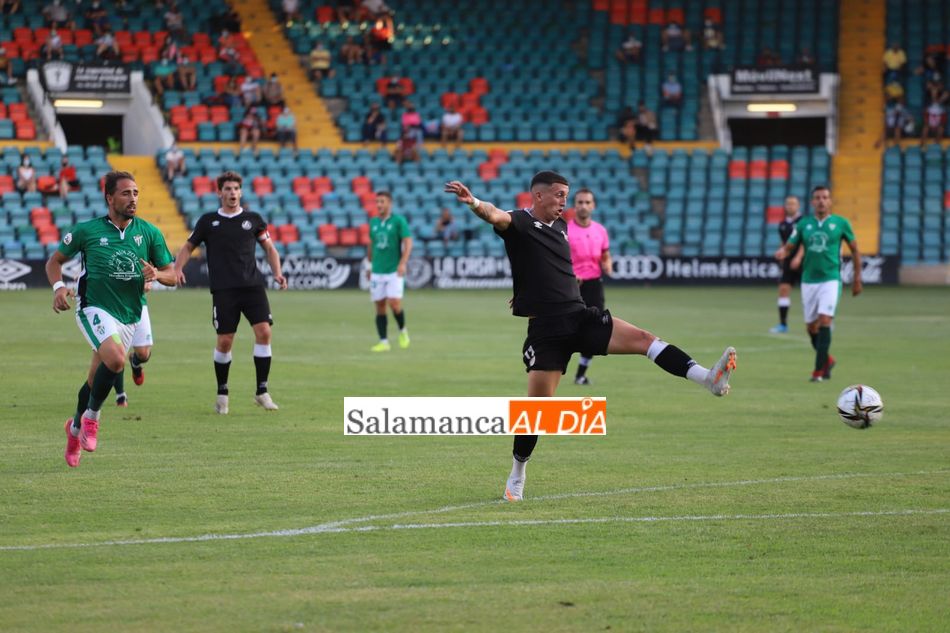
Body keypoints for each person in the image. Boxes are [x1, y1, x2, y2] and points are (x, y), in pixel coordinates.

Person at [444, 172, 737, 502]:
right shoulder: (519, 222)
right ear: (538, 196)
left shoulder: (563, 227)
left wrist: (526, 290)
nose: (564, 202)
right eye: (558, 195)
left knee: (644, 339)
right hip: (547, 332)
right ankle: (518, 472)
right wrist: (474, 203)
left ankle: (707, 379)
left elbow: (542, 267)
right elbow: (494, 215)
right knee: (537, 410)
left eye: (566, 196)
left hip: (580, 316)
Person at [45, 171, 176, 467]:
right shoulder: (87, 230)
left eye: (136, 193)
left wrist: (158, 275)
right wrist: (58, 287)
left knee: (95, 379)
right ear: (109, 198)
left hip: (129, 313)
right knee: (116, 361)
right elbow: (55, 261)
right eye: (126, 193)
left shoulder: (149, 232)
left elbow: (173, 274)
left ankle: (74, 428)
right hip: (93, 307)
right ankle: (92, 418)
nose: (133, 199)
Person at [174, 171, 287, 414]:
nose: (232, 193)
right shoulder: (208, 221)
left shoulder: (253, 219)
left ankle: (262, 391)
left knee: (264, 332)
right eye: (227, 189)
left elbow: (270, 248)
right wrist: (177, 268)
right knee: (225, 341)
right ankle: (222, 394)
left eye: (236, 188)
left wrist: (277, 272)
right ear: (219, 193)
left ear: (241, 192)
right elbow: (188, 246)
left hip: (253, 286)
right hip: (224, 290)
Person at [774, 185, 862, 383]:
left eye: (825, 197)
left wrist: (857, 279)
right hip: (808, 281)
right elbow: (790, 245)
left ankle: (817, 371)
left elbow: (855, 250)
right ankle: (827, 361)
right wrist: (783, 253)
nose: (821, 200)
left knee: (825, 321)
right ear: (812, 202)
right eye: (817, 198)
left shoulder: (841, 223)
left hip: (831, 279)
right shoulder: (804, 224)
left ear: (830, 201)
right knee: (811, 328)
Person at [567, 188, 613, 385]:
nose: (584, 206)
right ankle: (554, 368)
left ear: (593, 206)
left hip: (594, 284)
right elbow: (559, 259)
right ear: (574, 205)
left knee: (595, 329)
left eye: (587, 202)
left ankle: (580, 375)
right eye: (580, 202)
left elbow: (605, 253)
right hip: (572, 285)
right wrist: (570, 274)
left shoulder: (600, 230)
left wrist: (607, 264)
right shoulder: (565, 229)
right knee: (566, 328)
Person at [367, 191, 412, 352]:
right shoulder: (373, 222)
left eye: (382, 202)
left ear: (389, 204)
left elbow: (408, 241)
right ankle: (383, 341)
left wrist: (403, 263)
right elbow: (371, 245)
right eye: (377, 202)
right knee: (379, 305)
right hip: (377, 270)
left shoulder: (399, 221)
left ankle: (402, 331)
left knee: (394, 303)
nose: (379, 205)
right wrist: (368, 265)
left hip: (393, 270)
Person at [768, 195, 803, 333]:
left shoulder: (804, 222)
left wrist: (799, 258)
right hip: (788, 262)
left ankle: (820, 322)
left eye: (793, 204)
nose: (790, 206)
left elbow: (805, 243)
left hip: (804, 261)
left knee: (809, 293)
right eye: (788, 204)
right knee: (783, 290)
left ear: (798, 206)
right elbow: (784, 242)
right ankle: (783, 324)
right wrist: (781, 252)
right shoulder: (782, 224)